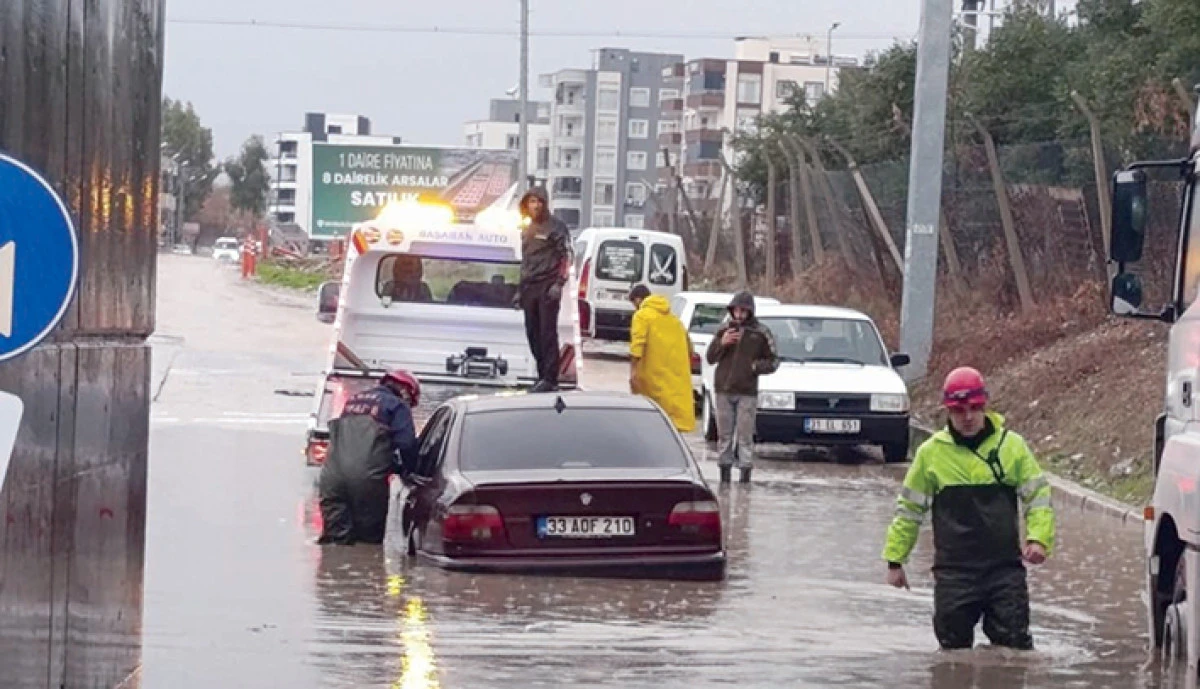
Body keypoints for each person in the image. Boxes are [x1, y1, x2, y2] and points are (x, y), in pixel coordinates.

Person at [882, 366, 1056, 651]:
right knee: (952, 653)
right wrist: (895, 560)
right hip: (954, 574)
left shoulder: (1011, 446)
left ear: (985, 406)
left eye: (974, 408)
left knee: (1015, 650)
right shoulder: (931, 454)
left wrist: (1039, 539)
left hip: (1004, 572)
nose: (968, 417)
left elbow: (1038, 497)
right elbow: (909, 511)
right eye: (959, 410)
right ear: (947, 411)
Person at [318, 370, 421, 546]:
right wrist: (411, 471)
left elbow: (354, 443)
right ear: (405, 391)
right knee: (367, 544)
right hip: (367, 481)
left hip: (331, 479)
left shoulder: (353, 400)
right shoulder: (397, 405)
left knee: (335, 541)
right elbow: (406, 445)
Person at [704, 290, 780, 484]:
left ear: (750, 311)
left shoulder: (761, 333)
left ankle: (745, 477)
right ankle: (724, 478)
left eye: (743, 311)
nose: (739, 315)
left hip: (747, 392)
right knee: (724, 436)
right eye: (736, 311)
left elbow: (774, 361)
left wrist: (754, 367)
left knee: (745, 437)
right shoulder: (724, 329)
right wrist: (722, 343)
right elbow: (710, 357)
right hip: (723, 390)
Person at [516, 186, 572, 392]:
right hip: (529, 286)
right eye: (532, 202)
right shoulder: (526, 227)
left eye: (539, 201)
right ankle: (541, 375)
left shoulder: (556, 227)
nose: (536, 206)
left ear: (545, 204)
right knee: (532, 333)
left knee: (547, 333)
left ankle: (550, 378)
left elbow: (567, 257)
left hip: (548, 286)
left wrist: (559, 284)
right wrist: (520, 290)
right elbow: (525, 262)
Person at [628, 284, 696, 433]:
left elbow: (637, 345)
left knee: (650, 422)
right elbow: (690, 348)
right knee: (671, 426)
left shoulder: (642, 316)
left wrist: (633, 372)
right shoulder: (675, 320)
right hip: (673, 383)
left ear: (638, 300)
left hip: (651, 380)